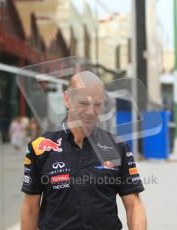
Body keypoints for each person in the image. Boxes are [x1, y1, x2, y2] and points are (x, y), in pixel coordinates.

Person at [21, 71, 147, 230]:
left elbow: (134, 204)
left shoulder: (116, 147)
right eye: (83, 103)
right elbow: (30, 208)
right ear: (67, 99)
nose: (90, 111)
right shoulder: (40, 148)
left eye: (97, 105)